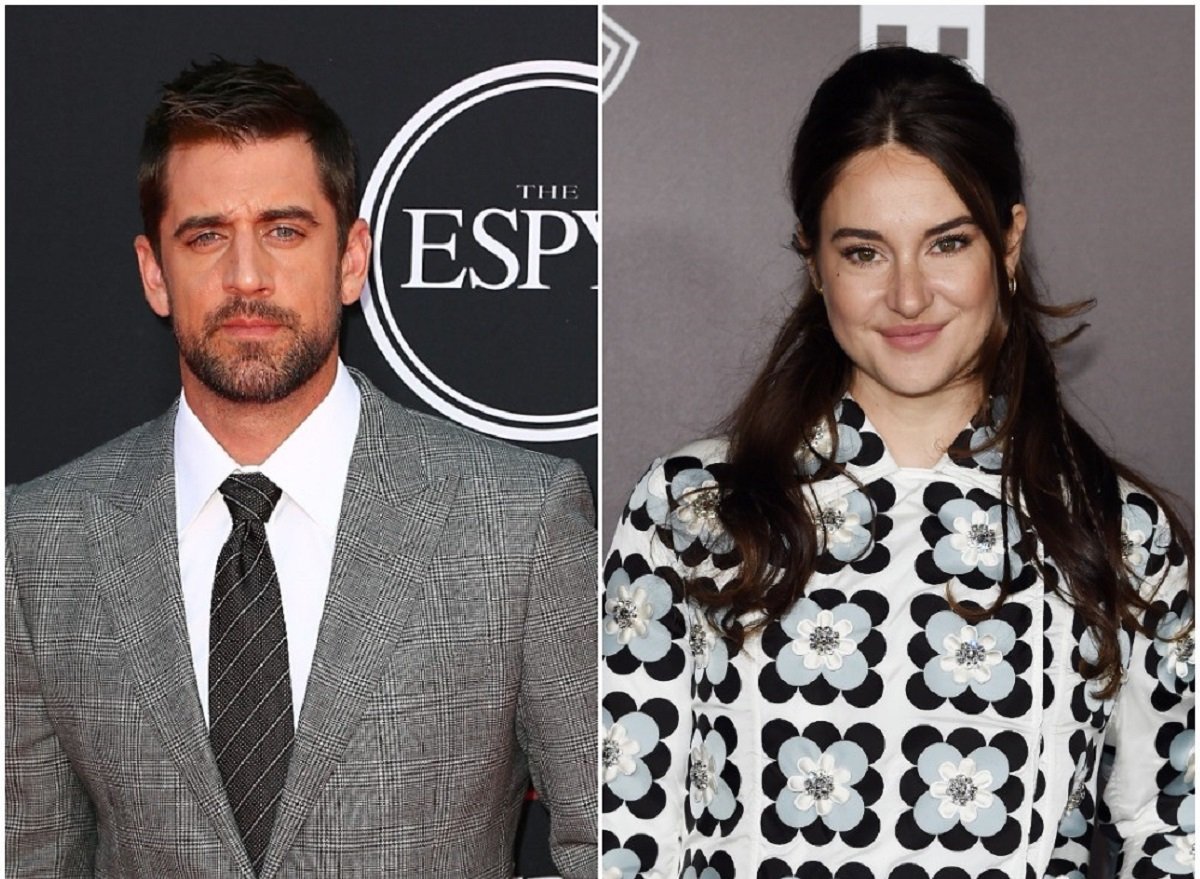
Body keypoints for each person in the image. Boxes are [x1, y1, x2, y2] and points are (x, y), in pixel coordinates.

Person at [601, 46, 1193, 879]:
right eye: (864, 252)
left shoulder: (1117, 532)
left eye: (947, 243)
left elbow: (1178, 835)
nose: (909, 297)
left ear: (1009, 243)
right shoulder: (692, 509)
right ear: (813, 259)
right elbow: (626, 838)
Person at [6, 59, 596, 878]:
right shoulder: (37, 541)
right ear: (153, 273)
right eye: (206, 235)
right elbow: (30, 854)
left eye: (284, 230)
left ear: (352, 259)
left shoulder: (518, 522)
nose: (246, 276)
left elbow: (609, 841)